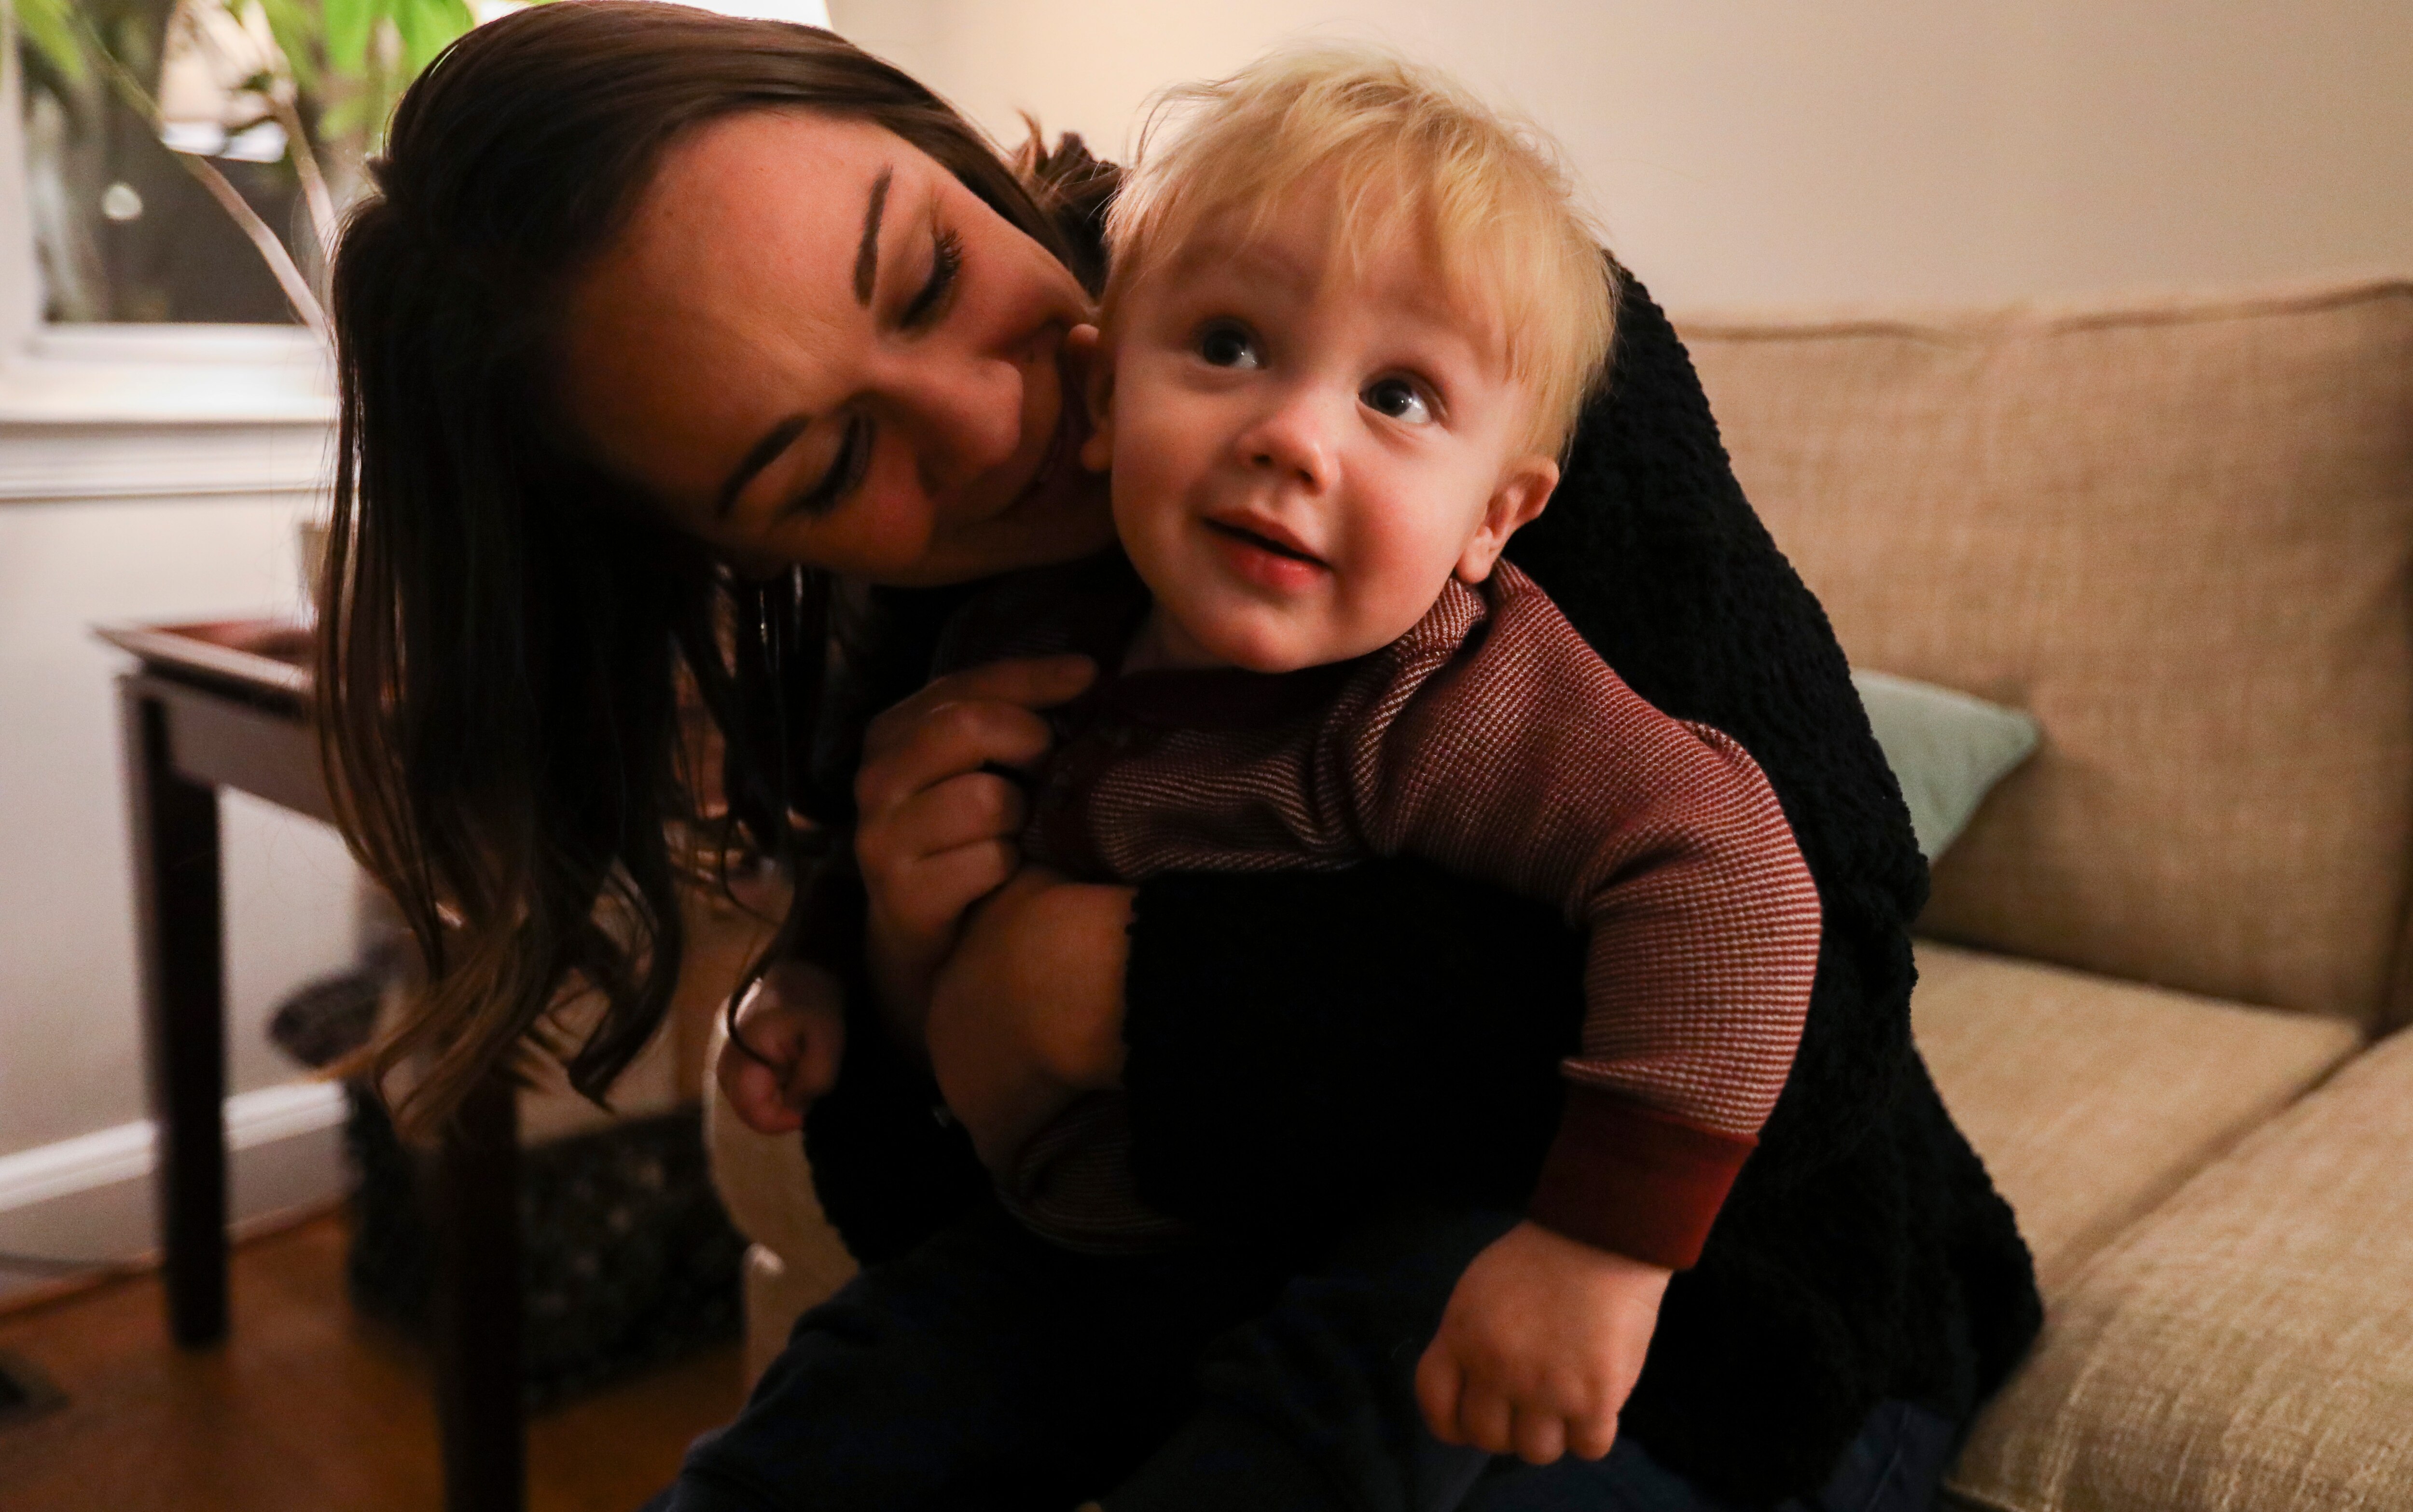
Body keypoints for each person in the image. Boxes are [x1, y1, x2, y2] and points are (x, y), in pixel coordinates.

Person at [315, 4, 2040, 1509]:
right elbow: (949, 1241)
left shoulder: (1450, 346)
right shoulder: (926, 636)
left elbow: (1815, 957)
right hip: (1196, 1281)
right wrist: (901, 979)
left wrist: (1119, 987)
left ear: (956, 148)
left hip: (1740, 1316)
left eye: (927, 274)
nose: (996, 428)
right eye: (830, 470)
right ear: (742, 553)